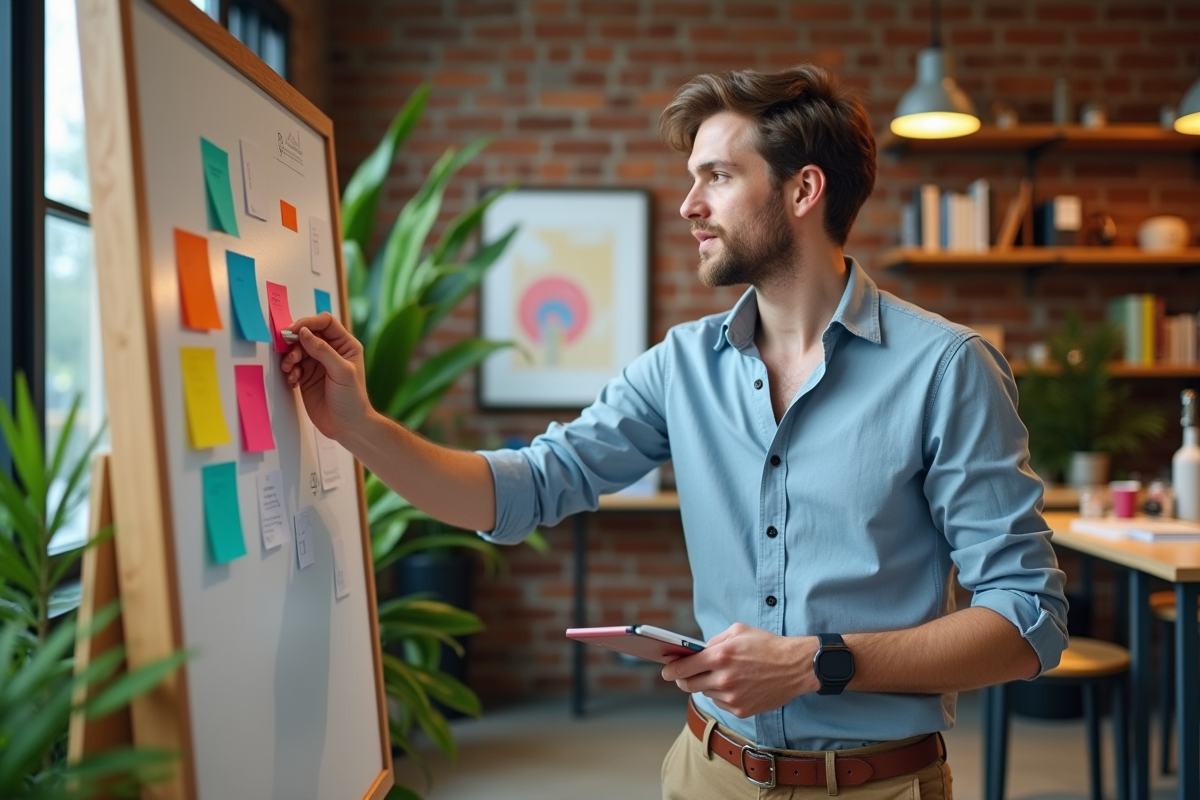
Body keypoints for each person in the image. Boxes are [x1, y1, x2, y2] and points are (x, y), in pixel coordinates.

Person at [280, 64, 1068, 799]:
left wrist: (815, 664)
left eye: (717, 177)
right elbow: (519, 491)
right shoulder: (681, 365)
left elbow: (1028, 621)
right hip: (706, 772)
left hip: (875, 785)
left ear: (803, 191)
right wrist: (360, 426)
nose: (691, 204)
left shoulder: (947, 368)